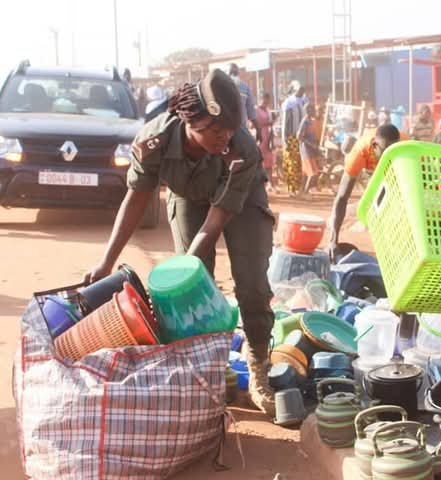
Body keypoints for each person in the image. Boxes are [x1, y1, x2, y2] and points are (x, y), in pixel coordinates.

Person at [84, 69, 277, 416]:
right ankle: (213, 373)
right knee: (191, 292)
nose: (226, 137)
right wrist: (106, 262)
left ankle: (259, 369)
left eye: (231, 129)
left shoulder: (241, 148)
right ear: (192, 123)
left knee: (251, 285)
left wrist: (182, 266)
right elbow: (136, 200)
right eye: (217, 131)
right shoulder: (153, 141)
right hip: (188, 195)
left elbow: (218, 216)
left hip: (241, 202)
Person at [328, 124, 403, 260]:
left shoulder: (403, 147)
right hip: (371, 170)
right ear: (374, 145)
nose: (389, 155)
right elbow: (342, 197)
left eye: (393, 150)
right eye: (386, 151)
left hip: (394, 170)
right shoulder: (359, 153)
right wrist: (333, 240)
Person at [281, 82, 306, 194]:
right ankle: (291, 189)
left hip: (301, 138)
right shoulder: (289, 103)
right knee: (292, 163)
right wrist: (285, 139)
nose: (302, 92)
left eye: (303, 90)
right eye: (300, 90)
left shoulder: (301, 102)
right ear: (295, 90)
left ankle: (298, 188)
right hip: (291, 138)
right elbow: (285, 122)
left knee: (300, 163)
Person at [228, 63, 261, 142]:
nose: (233, 75)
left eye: (235, 73)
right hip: (225, 132)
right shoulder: (219, 88)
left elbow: (251, 112)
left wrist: (258, 130)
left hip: (241, 131)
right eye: (231, 72)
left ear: (238, 74)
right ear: (227, 74)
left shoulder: (245, 88)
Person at [297, 103, 322, 195]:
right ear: (308, 110)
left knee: (305, 174)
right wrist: (311, 144)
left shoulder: (310, 121)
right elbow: (299, 136)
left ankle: (301, 192)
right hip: (306, 150)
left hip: (310, 151)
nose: (314, 111)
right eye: (312, 109)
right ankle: (305, 193)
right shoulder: (305, 121)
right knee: (313, 172)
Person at [256, 92, 276, 192]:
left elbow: (271, 123)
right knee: (260, 161)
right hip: (260, 136)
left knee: (269, 161)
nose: (266, 101)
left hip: (268, 137)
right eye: (265, 99)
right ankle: (261, 183)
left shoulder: (268, 110)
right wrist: (268, 123)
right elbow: (255, 123)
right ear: (261, 99)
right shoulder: (256, 110)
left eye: (268, 100)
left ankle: (270, 183)